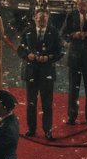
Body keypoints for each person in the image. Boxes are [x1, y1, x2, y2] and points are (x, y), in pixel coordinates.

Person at [17, 8, 62, 139]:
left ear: (48, 18)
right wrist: (28, 55)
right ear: (34, 18)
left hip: (47, 71)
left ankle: (47, 130)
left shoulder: (53, 32)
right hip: (31, 71)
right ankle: (31, 129)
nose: (41, 20)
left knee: (47, 103)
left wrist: (49, 57)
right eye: (39, 18)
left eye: (44, 18)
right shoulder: (27, 32)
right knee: (31, 102)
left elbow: (59, 51)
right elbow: (20, 49)